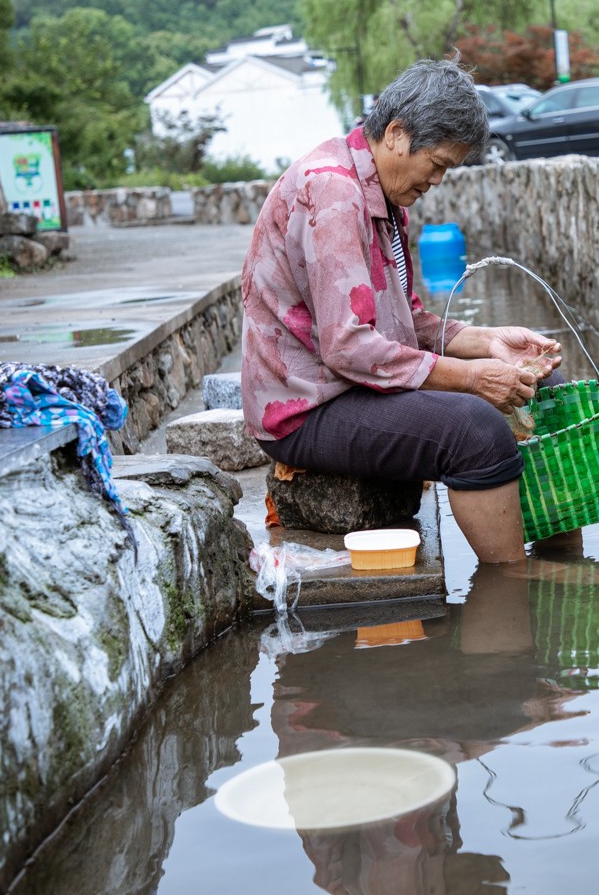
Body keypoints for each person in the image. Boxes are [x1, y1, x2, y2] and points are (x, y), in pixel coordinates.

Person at [241, 59, 563, 562]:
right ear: (395, 134)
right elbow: (348, 347)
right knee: (475, 431)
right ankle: (509, 589)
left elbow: (405, 322)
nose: (437, 180)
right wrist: (472, 379)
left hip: (352, 385)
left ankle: (564, 562)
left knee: (544, 387)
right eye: (436, 164)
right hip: (307, 407)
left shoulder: (384, 199)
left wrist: (489, 344)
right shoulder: (333, 192)